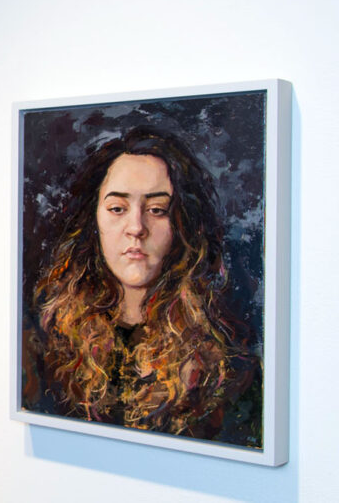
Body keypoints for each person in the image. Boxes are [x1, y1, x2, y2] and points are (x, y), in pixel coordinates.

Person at [23, 126, 261, 445]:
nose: (137, 227)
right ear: (93, 220)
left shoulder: (230, 371)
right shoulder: (44, 351)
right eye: (118, 209)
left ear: (182, 227)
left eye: (157, 210)